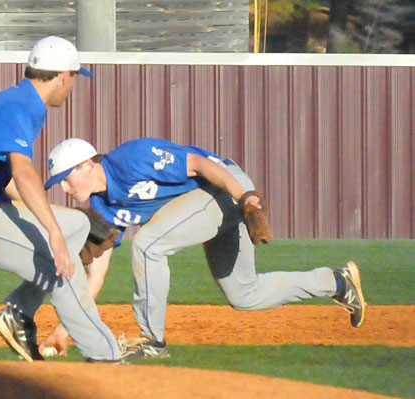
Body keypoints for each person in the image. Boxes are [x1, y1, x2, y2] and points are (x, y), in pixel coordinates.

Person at [41, 137, 367, 358]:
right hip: (203, 206)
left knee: (148, 244)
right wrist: (63, 331)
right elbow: (94, 276)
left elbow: (199, 163)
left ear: (87, 165)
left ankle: (151, 339)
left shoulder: (130, 159)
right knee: (245, 294)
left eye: (66, 178)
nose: (65, 188)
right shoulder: (102, 208)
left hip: (223, 185)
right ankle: (337, 281)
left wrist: (246, 198)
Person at [0, 36, 123, 363]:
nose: (73, 84)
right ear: (63, 75)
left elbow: (12, 186)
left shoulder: (23, 103)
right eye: (75, 76)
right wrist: (54, 233)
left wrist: (61, 221)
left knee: (77, 224)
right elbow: (22, 173)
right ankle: (106, 357)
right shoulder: (17, 105)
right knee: (60, 264)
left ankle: (18, 312)